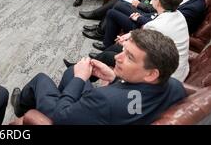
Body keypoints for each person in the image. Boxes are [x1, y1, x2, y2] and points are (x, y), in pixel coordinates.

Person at [11, 29, 186, 124]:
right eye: (123, 50)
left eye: (129, 57)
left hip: (72, 115)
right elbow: (135, 104)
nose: (117, 57)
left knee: (41, 79)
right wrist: (114, 78)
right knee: (71, 71)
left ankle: (21, 107)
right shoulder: (176, 87)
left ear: (151, 73)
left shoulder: (106, 98)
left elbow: (60, 116)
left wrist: (80, 79)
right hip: (104, 112)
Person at [89, 0, 189, 82]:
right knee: (113, 49)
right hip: (172, 65)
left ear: (157, 1)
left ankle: (85, 74)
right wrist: (130, 34)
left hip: (164, 73)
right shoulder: (178, 14)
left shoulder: (157, 25)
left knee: (107, 56)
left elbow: (139, 50)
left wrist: (126, 42)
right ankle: (95, 63)